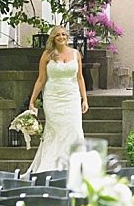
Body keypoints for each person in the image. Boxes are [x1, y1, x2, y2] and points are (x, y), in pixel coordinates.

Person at [25, 25, 89, 174]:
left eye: (64, 34)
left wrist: (84, 99)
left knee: (74, 130)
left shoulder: (75, 54)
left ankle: (74, 167)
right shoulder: (47, 55)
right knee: (55, 132)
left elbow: (80, 78)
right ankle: (50, 168)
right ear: (53, 38)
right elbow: (41, 80)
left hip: (72, 97)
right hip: (53, 98)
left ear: (67, 37)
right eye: (57, 35)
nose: (61, 37)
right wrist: (32, 100)